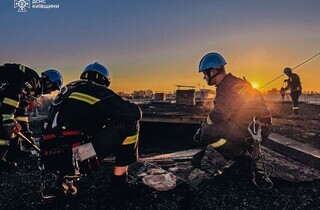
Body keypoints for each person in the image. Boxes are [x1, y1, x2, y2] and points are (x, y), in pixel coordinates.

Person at [41, 62, 141, 198]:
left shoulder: (68, 90)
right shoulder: (97, 90)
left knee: (70, 134)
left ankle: (62, 179)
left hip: (49, 157)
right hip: (77, 155)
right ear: (104, 81)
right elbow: (134, 112)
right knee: (130, 123)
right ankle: (119, 182)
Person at [193, 52, 272, 187]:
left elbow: (218, 115)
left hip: (252, 131)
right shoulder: (234, 83)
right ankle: (243, 153)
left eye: (205, 74)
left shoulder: (225, 87)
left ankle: (236, 154)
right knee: (223, 128)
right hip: (257, 129)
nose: (204, 77)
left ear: (213, 71)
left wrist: (201, 130)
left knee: (207, 133)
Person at [0, 63, 63, 171]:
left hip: (3, 102)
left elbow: (21, 112)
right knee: (7, 131)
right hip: (4, 103)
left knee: (14, 129)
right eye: (52, 88)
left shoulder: (32, 89)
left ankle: (14, 155)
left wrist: (27, 135)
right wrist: (8, 118)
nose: (50, 92)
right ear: (48, 82)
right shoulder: (33, 81)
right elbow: (13, 95)